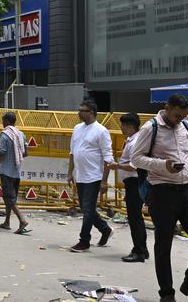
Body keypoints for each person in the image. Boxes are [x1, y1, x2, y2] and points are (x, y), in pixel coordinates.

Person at [130, 93, 188, 302]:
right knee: (163, 244)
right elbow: (135, 159)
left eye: (182, 116)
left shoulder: (185, 126)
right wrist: (163, 165)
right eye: (176, 116)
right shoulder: (150, 128)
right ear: (166, 107)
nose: (178, 120)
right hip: (162, 192)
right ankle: (166, 293)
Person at [68, 99, 115, 252]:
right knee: (85, 207)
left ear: (92, 113)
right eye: (79, 109)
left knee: (88, 209)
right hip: (81, 175)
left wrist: (104, 181)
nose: (79, 113)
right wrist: (70, 172)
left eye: (83, 110)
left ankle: (84, 240)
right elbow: (72, 152)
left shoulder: (101, 131)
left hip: (94, 176)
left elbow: (108, 157)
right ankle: (104, 229)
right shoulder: (77, 128)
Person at [106, 112, 149, 263]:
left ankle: (138, 251)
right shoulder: (133, 140)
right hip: (133, 183)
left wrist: (116, 165)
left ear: (130, 126)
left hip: (134, 182)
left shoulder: (135, 141)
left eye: (123, 126)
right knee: (137, 217)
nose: (122, 129)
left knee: (135, 218)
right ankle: (142, 249)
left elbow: (134, 166)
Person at [0, 111, 30, 234]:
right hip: (17, 172)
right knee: (10, 198)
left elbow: (1, 153)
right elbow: (26, 153)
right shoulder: (21, 134)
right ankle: (7, 222)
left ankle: (22, 220)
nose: (2, 123)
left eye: (3, 120)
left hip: (6, 171)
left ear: (7, 121)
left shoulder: (5, 135)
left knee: (9, 198)